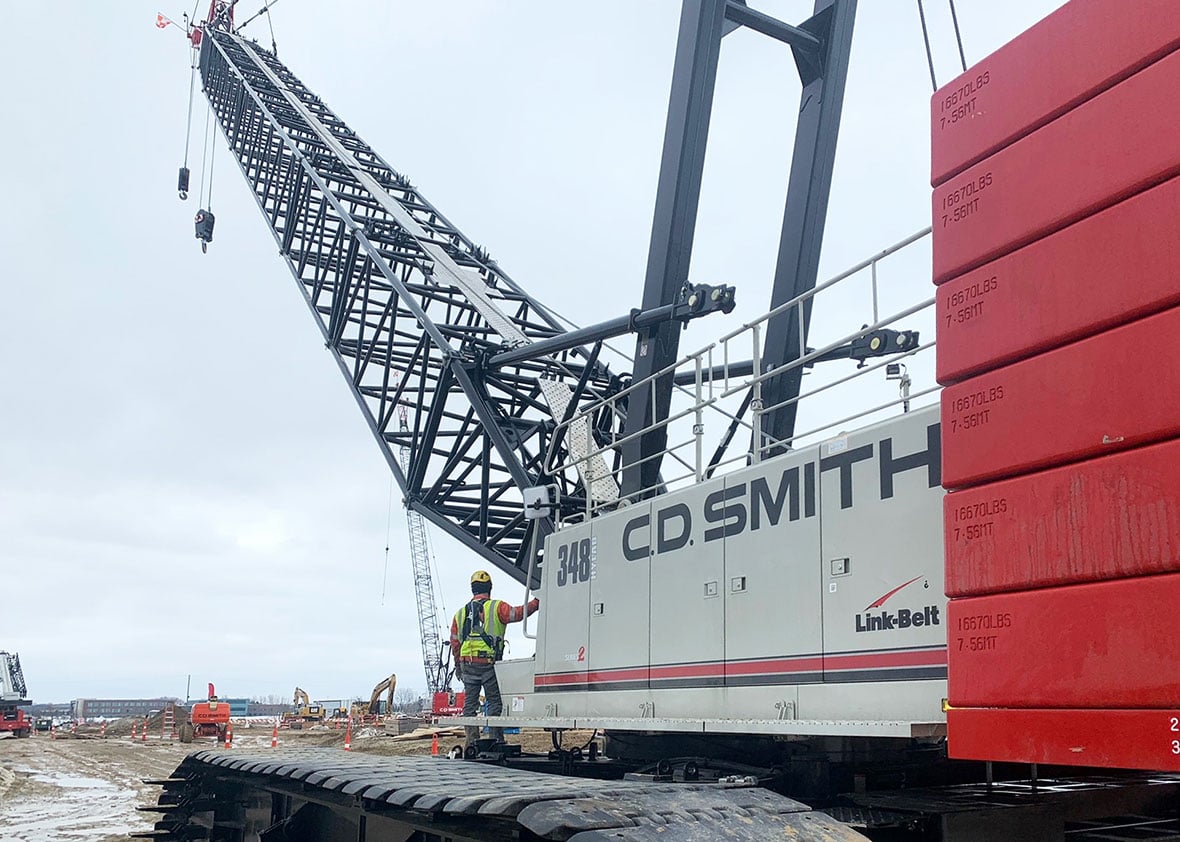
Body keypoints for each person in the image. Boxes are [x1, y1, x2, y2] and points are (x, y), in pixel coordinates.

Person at [450, 570, 539, 748]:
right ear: (489, 589)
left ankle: (472, 742)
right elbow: (518, 613)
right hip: (489, 665)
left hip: (467, 664)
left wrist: (458, 664)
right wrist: (537, 602)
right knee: (494, 703)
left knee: (470, 706)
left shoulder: (460, 614)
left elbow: (455, 642)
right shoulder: (497, 607)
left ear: (472, 589)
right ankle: (496, 740)